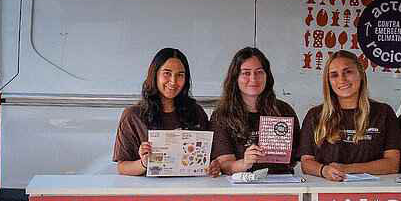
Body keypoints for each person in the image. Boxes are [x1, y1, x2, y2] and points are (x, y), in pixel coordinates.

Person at [300, 50, 401, 181]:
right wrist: (324, 170)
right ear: (328, 81)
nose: (342, 79)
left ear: (361, 74)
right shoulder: (315, 115)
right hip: (327, 193)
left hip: (374, 193)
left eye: (348, 72)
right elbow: (306, 162)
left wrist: (347, 169)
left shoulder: (383, 112)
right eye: (334, 75)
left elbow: (392, 164)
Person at [113, 47, 211, 176]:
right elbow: (122, 167)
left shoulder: (196, 112)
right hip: (150, 192)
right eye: (167, 73)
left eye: (180, 75)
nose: (173, 81)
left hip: (189, 190)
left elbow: (207, 158)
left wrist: (212, 165)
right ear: (155, 74)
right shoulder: (133, 116)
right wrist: (143, 163)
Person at [210, 47, 300, 175]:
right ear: (235, 78)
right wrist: (245, 163)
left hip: (281, 184)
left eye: (259, 72)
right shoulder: (222, 115)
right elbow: (225, 164)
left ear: (267, 76)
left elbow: (296, 156)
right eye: (246, 73)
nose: (253, 79)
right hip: (242, 188)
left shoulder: (283, 110)